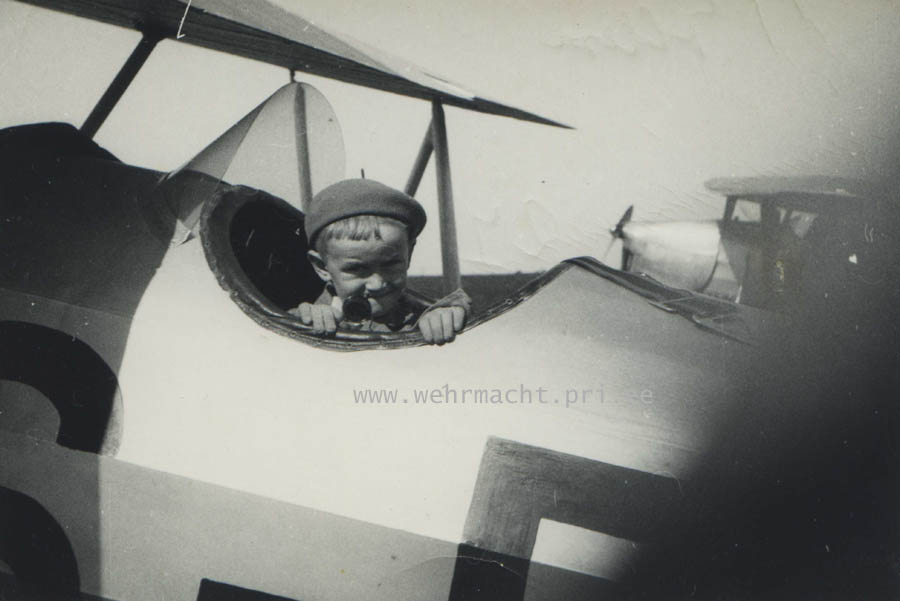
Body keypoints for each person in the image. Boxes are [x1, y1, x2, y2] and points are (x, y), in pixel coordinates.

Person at [289, 179, 470, 344]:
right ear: (322, 267)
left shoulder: (421, 317)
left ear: (409, 254)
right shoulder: (306, 318)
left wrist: (446, 317)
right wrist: (302, 322)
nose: (377, 284)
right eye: (357, 268)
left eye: (390, 264)